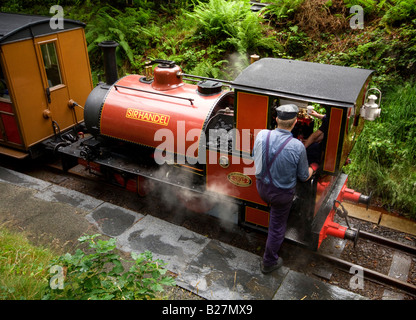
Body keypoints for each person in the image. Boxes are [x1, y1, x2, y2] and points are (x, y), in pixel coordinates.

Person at [253, 104, 316, 274]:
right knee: (277, 227)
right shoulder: (298, 146)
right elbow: (304, 176)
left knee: (275, 216)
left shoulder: (261, 135)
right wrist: (314, 167)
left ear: (276, 120)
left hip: (261, 188)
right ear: (295, 123)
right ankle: (268, 262)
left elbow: (255, 156)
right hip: (281, 196)